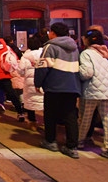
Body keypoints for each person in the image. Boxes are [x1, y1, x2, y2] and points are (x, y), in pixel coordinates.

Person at [34, 22, 81, 159]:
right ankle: (72, 146)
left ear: (53, 33)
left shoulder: (50, 46)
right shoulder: (74, 48)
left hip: (55, 85)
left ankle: (51, 141)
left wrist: (38, 83)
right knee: (70, 116)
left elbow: (43, 66)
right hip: (72, 85)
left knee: (50, 114)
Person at [77, 30, 108, 161]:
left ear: (88, 40)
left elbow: (87, 72)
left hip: (93, 90)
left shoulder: (87, 53)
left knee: (86, 117)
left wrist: (77, 73)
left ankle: (79, 141)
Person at [16, 35, 43, 131]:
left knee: (31, 102)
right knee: (44, 102)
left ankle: (32, 122)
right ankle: (48, 123)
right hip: (43, 81)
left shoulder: (25, 57)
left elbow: (21, 71)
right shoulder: (44, 53)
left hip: (29, 82)